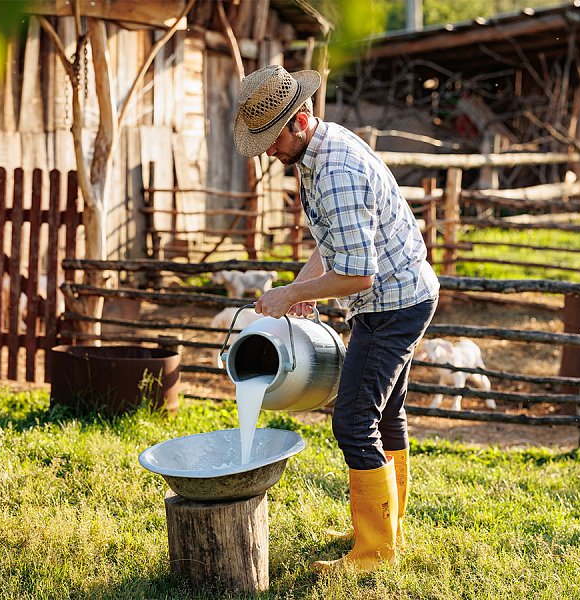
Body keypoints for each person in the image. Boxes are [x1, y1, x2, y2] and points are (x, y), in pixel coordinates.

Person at [233, 64, 439, 573]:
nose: (266, 151)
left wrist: (291, 295)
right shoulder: (315, 150)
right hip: (400, 294)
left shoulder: (335, 169)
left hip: (392, 304)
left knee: (353, 422)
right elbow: (333, 242)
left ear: (299, 119)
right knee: (386, 413)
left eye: (269, 139)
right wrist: (305, 287)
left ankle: (374, 552)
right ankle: (381, 527)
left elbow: (359, 275)